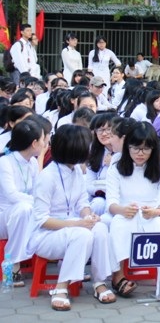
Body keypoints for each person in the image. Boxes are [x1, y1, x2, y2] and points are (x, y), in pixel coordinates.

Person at [30, 124, 115, 310]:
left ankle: (99, 282)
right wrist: (78, 223)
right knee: (82, 234)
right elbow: (42, 220)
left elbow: (81, 203)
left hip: (72, 228)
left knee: (100, 228)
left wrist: (89, 216)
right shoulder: (47, 177)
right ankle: (61, 287)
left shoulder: (76, 170)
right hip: (46, 236)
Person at [107, 122, 160, 298]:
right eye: (135, 148)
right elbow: (111, 203)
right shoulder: (116, 169)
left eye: (146, 149)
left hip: (153, 212)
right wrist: (122, 210)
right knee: (119, 226)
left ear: (153, 149)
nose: (140, 154)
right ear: (127, 147)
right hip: (125, 211)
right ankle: (118, 276)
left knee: (159, 226)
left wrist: (156, 211)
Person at [0, 119, 46, 288]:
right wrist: (38, 202)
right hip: (4, 216)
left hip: (25, 214)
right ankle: (12, 265)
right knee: (23, 209)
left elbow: (37, 191)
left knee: (28, 210)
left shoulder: (32, 162)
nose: (44, 144)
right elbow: (11, 195)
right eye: (43, 140)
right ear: (34, 143)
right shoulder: (5, 162)